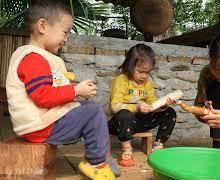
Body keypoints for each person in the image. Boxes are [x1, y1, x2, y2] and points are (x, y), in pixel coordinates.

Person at [5, 1, 119, 179]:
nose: (66, 38)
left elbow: (54, 88)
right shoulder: (34, 59)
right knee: (93, 112)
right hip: (40, 126)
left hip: (43, 123)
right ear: (43, 26)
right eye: (65, 32)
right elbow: (42, 96)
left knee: (87, 107)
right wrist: (75, 91)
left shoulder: (41, 58)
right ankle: (97, 162)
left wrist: (74, 89)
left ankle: (102, 157)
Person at [108, 43, 177, 167]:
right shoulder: (121, 80)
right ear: (129, 66)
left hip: (139, 123)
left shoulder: (148, 84)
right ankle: (126, 150)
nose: (144, 76)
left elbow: (152, 105)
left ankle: (158, 145)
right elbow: (115, 106)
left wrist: (163, 105)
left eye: (147, 72)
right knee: (124, 114)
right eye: (140, 71)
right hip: (119, 124)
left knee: (170, 112)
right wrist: (136, 107)